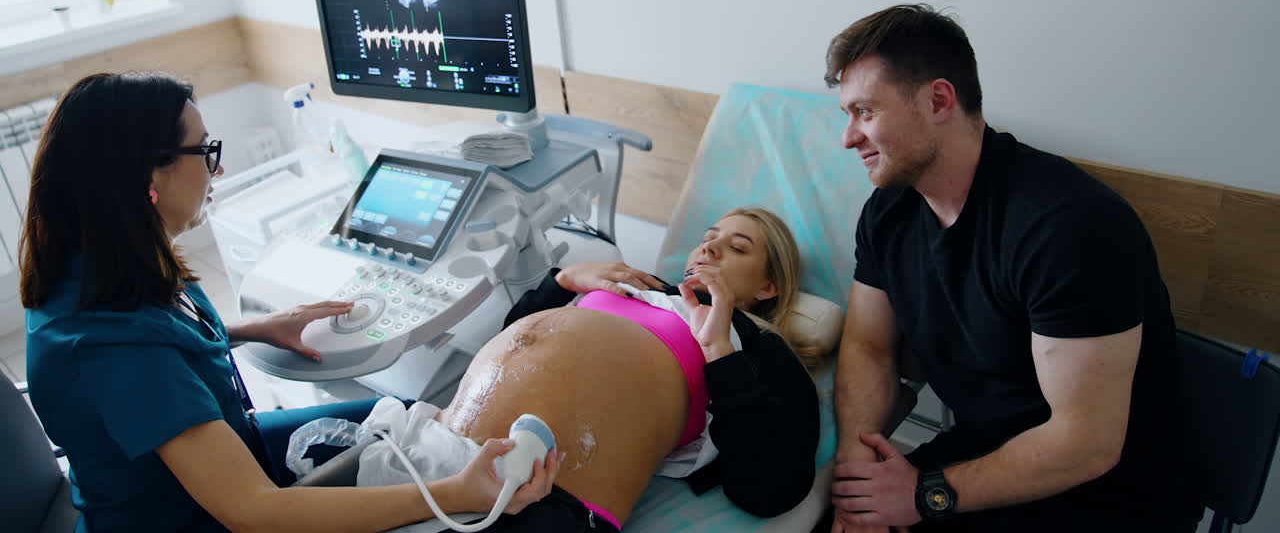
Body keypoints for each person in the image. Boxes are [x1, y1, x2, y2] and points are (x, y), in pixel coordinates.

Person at [21, 72, 562, 533]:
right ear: (146, 175)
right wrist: (453, 495)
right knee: (449, 479)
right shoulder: (114, 351)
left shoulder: (95, 263)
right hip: (194, 518)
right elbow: (254, 512)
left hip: (233, 448)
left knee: (412, 421)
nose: (219, 170)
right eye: (207, 151)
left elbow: (160, 344)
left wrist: (253, 327)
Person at [822, 5, 1200, 532]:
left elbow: (1085, 445)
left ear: (937, 101)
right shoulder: (890, 212)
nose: (848, 137)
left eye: (865, 112)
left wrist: (923, 495)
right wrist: (858, 477)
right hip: (985, 453)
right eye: (847, 115)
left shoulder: (1067, 228)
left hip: (1109, 496)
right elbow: (869, 346)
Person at [409, 206, 821, 531]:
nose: (708, 250)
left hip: (544, 502)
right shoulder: (635, 282)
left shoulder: (756, 346)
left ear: (768, 288)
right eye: (707, 239)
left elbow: (772, 491)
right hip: (433, 448)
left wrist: (720, 351)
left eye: (738, 247)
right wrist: (563, 282)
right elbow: (510, 341)